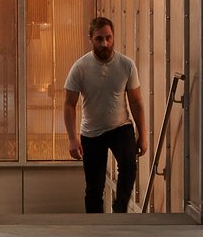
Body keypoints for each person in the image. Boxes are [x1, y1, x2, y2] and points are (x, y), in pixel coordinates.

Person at [61, 15, 147, 214]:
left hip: (120, 127)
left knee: (128, 167)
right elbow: (69, 104)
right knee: (94, 187)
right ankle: (95, 226)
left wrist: (142, 135)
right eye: (99, 39)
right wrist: (73, 139)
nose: (105, 43)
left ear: (113, 37)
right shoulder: (80, 68)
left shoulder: (126, 65)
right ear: (90, 38)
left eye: (108, 38)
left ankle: (119, 210)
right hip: (91, 133)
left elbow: (136, 102)